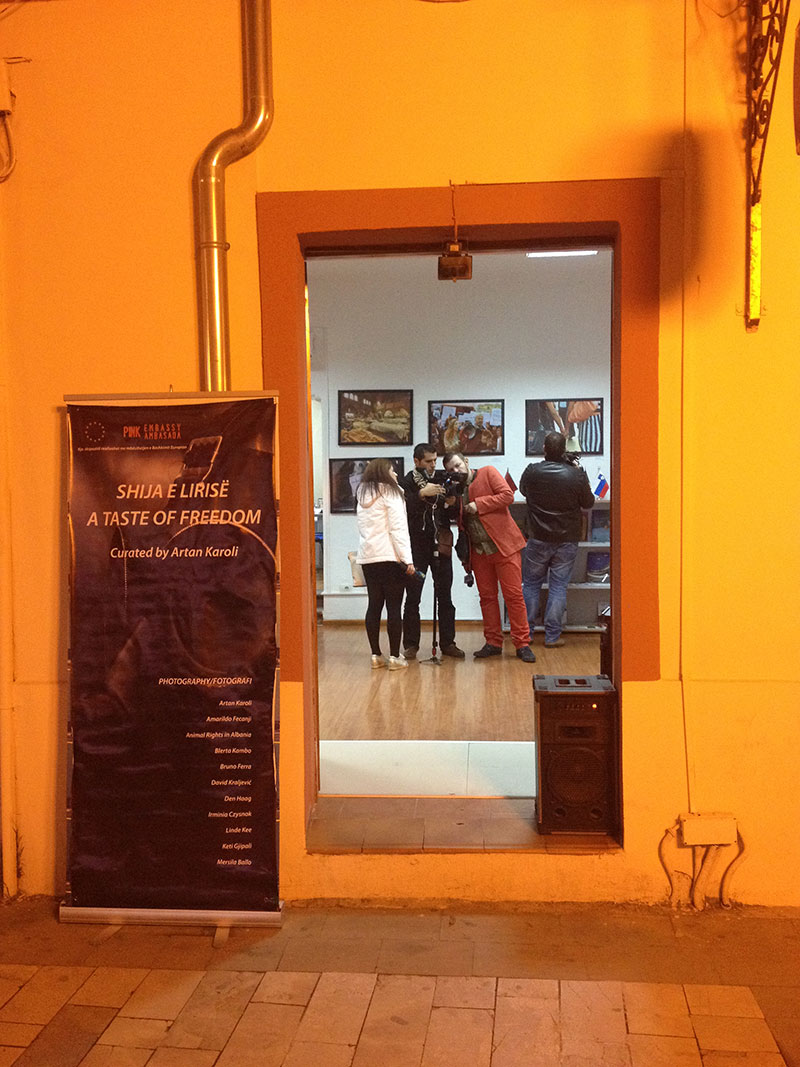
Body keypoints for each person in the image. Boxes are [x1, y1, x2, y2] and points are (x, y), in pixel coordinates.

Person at [443, 451, 535, 663]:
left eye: (457, 465)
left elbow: (507, 496)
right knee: (487, 598)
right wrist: (450, 503)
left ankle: (522, 644)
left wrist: (479, 504)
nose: (456, 471)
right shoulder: (455, 489)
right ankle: (493, 642)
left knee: (513, 596)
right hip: (478, 552)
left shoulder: (487, 472)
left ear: (466, 462)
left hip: (504, 547)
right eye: (450, 470)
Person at [519, 431, 595, 648]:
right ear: (564, 451)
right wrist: (579, 472)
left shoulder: (532, 471)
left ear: (544, 448)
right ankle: (552, 637)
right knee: (558, 586)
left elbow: (523, 491)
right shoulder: (576, 475)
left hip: (538, 537)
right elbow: (588, 503)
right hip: (567, 539)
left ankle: (526, 634)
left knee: (531, 584)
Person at [400, 443, 464, 660]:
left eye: (435, 461)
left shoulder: (442, 478)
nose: (433, 465)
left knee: (445, 596)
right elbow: (401, 509)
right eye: (428, 461)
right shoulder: (407, 482)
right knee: (413, 597)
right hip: (416, 548)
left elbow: (454, 513)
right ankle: (411, 645)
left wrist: (452, 503)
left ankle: (448, 643)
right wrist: (420, 494)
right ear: (416, 461)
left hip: (441, 545)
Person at [355, 458, 416, 670]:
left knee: (374, 605)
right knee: (393, 607)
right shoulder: (392, 492)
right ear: (384, 473)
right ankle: (394, 657)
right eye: (392, 471)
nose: (396, 475)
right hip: (390, 557)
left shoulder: (362, 494)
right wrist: (407, 559)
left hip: (368, 557)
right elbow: (398, 529)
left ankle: (375, 655)